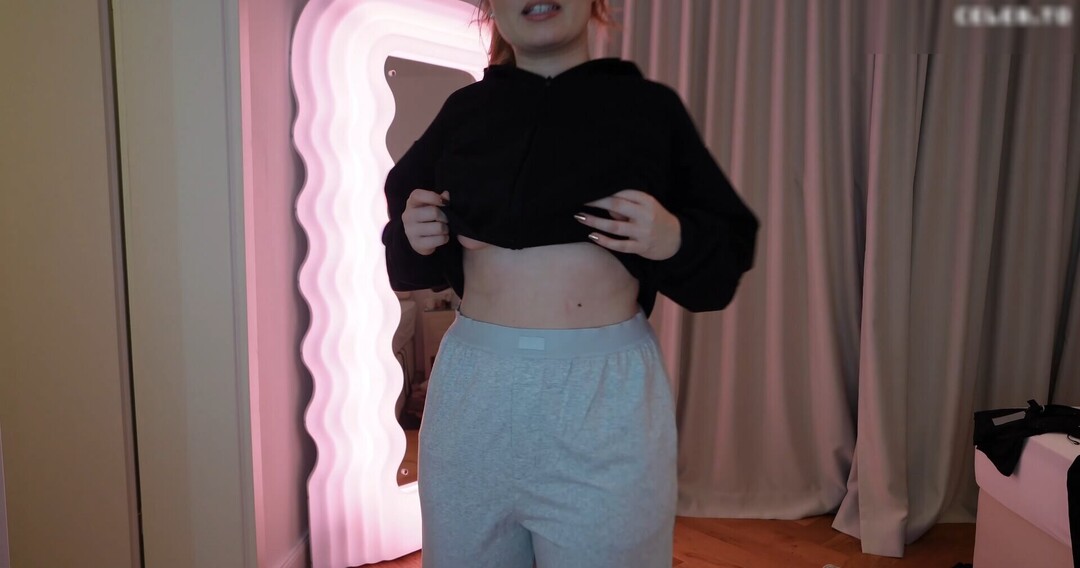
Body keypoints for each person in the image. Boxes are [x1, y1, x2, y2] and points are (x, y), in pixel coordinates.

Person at [381, 0, 759, 566]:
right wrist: (415, 232)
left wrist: (674, 238)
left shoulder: (647, 111)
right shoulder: (464, 114)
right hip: (473, 399)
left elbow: (725, 247)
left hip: (601, 404)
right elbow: (406, 222)